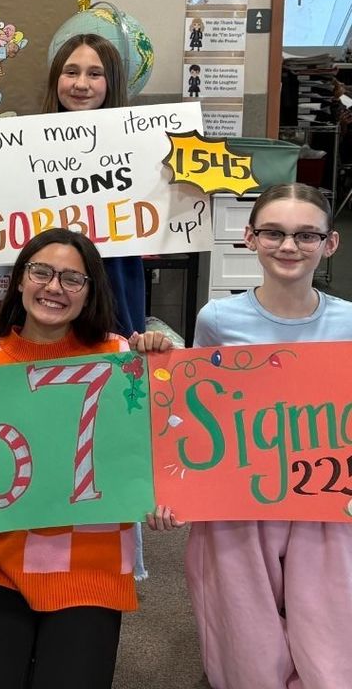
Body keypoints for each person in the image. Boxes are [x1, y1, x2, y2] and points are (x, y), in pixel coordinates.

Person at [0, 228, 164, 689]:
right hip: (2, 564)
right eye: (41, 272)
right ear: (20, 280)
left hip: (93, 566)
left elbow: (154, 448)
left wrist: (163, 365)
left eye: (72, 279)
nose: (53, 287)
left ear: (90, 293)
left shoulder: (120, 356)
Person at [139, 183, 351, 689]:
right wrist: (176, 489)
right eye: (274, 233)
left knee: (328, 635)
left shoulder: (348, 322)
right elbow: (196, 407)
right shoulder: (218, 319)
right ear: (250, 238)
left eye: (306, 235)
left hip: (324, 499)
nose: (289, 246)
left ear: (330, 244)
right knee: (245, 633)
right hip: (240, 499)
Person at [0, 33, 146, 340]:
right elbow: (12, 230)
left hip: (112, 289)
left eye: (95, 74)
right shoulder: (21, 147)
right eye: (71, 72)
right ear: (56, 79)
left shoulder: (139, 148)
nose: (81, 84)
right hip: (46, 301)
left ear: (112, 82)